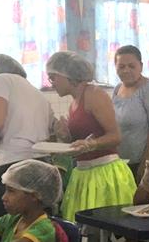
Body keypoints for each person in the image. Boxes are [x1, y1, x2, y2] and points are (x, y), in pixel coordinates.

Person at [46, 51, 136, 222]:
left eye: (53, 78)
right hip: (83, 173)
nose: (51, 84)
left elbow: (115, 136)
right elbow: (80, 143)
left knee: (105, 227)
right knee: (83, 227)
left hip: (105, 173)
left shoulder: (94, 94)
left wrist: (91, 144)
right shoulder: (73, 103)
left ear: (67, 75)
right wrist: (65, 136)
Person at [0, 54, 54, 220]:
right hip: (41, 166)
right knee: (37, 225)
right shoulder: (38, 93)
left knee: (4, 226)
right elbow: (51, 132)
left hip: (13, 165)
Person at [111, 45, 149, 179]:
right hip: (122, 162)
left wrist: (145, 166)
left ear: (141, 66)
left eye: (131, 66)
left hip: (146, 161)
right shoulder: (117, 89)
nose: (126, 70)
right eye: (121, 66)